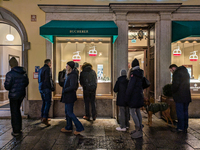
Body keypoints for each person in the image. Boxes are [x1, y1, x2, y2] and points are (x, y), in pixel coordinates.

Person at [4, 57, 29, 137]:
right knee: (18, 111)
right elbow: (26, 83)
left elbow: (7, 86)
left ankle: (16, 130)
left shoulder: (10, 74)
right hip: (21, 94)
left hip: (13, 95)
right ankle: (19, 128)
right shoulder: (23, 72)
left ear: (10, 65)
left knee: (14, 112)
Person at [60, 61, 84, 135]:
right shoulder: (69, 74)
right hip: (67, 96)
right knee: (67, 112)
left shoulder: (73, 75)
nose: (66, 66)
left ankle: (79, 127)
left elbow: (73, 86)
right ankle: (68, 127)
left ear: (70, 66)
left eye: (67, 65)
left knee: (70, 113)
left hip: (69, 96)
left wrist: (65, 90)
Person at [169, 64, 191, 133]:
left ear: (173, 68)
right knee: (185, 112)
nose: (171, 72)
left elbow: (175, 85)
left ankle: (180, 127)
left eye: (171, 70)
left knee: (180, 112)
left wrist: (172, 90)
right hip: (186, 95)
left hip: (179, 96)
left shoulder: (176, 73)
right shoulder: (185, 72)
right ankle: (185, 126)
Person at [126, 58, 144, 138]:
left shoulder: (133, 73)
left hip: (134, 96)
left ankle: (138, 130)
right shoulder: (140, 72)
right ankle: (139, 128)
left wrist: (127, 96)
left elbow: (130, 86)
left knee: (132, 112)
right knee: (138, 111)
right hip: (139, 95)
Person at [38, 59, 54, 126]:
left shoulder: (41, 69)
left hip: (41, 87)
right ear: (49, 63)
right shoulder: (48, 69)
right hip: (46, 88)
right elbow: (49, 79)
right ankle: (45, 118)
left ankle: (42, 117)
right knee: (48, 103)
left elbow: (39, 79)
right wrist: (52, 87)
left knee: (44, 102)